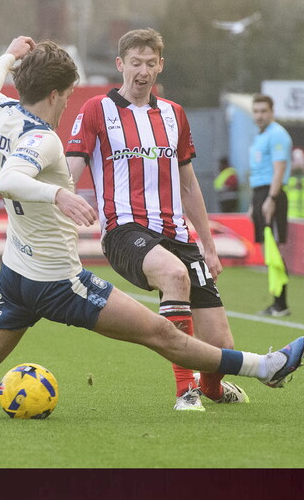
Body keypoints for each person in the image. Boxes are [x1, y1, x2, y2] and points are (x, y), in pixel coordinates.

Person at [0, 36, 304, 417]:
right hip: (59, 283)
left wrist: (10, 55)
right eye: (69, 95)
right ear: (55, 94)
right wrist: (57, 192)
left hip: (16, 274)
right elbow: (9, 179)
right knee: (163, 333)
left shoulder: (1, 111)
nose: (70, 104)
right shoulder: (44, 140)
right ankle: (265, 367)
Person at [66, 28, 246, 412]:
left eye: (150, 63)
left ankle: (213, 388)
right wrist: (58, 196)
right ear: (121, 65)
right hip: (124, 231)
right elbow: (71, 168)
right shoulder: (97, 109)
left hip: (177, 235)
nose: (143, 71)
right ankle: (186, 391)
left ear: (160, 65)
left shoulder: (174, 114)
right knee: (174, 275)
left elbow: (189, 187)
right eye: (135, 63)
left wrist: (209, 248)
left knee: (222, 345)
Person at [247, 94, 293, 317]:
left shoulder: (277, 135)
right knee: (268, 251)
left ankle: (281, 303)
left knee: (275, 250)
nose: (259, 115)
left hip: (271, 194)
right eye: (256, 111)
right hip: (260, 194)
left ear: (272, 112)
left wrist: (271, 199)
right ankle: (276, 301)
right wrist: (252, 203)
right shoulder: (260, 136)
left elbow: (279, 170)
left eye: (264, 111)